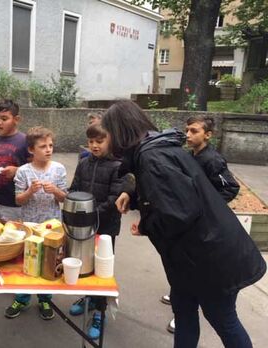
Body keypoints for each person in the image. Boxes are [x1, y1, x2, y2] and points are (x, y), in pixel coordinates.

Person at [104, 100, 266, 348]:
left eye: (109, 134)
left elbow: (177, 213)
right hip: (192, 260)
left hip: (210, 258)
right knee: (184, 309)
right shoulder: (158, 148)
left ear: (120, 132)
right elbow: (172, 190)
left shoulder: (152, 157)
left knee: (222, 318)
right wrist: (134, 195)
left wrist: (146, 225)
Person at [163, 115, 241, 333]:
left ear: (208, 134)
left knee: (195, 266)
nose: (188, 135)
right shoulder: (190, 156)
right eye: (187, 130)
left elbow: (230, 188)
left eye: (194, 131)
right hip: (189, 221)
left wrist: (207, 208)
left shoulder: (212, 160)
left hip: (203, 223)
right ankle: (178, 296)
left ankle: (183, 316)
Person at [68, 124, 132, 339]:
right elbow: (74, 188)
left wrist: (90, 213)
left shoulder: (118, 166)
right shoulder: (84, 163)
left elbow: (114, 199)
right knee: (85, 264)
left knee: (102, 269)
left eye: (99, 141)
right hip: (82, 225)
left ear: (110, 141)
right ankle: (88, 298)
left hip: (106, 227)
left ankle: (100, 311)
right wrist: (72, 209)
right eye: (91, 142)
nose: (94, 146)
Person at [4, 126, 67, 320]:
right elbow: (18, 200)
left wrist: (55, 190)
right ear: (31, 150)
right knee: (28, 262)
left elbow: (64, 197)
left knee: (49, 262)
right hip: (30, 226)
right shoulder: (23, 171)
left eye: (50, 145)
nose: (48, 149)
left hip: (53, 227)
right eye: (43, 146)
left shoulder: (59, 169)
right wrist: (30, 191)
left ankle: (45, 298)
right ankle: (22, 297)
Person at [0, 100, 30, 221]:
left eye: (4, 119)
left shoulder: (26, 141)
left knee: (12, 236)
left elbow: (36, 168)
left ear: (16, 120)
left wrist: (17, 170)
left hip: (15, 203)